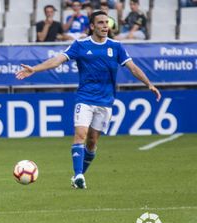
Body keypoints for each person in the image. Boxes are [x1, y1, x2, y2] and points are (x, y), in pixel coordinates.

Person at [15, 11, 161, 189]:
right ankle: (78, 176)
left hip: (105, 101)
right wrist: (35, 69)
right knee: (80, 135)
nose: (105, 26)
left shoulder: (116, 47)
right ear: (92, 26)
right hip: (84, 98)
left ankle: (79, 175)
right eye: (100, 23)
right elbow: (57, 60)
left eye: (106, 23)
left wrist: (149, 84)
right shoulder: (80, 45)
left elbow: (132, 67)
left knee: (92, 142)